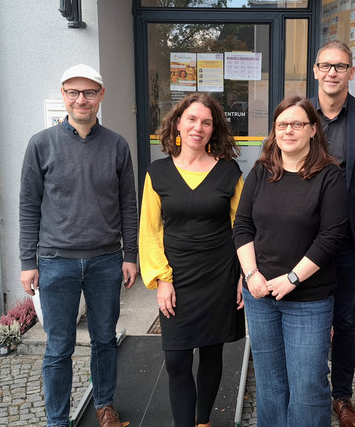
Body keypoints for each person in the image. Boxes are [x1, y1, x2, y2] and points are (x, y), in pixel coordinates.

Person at [19, 64, 137, 427]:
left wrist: (130, 255)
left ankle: (104, 405)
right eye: (73, 92)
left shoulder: (117, 145)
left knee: (104, 339)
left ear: (101, 96)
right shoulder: (41, 144)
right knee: (59, 347)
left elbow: (128, 205)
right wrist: (28, 260)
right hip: (56, 261)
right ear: (63, 96)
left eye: (88, 93)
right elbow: (28, 204)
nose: (81, 99)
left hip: (105, 260)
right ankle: (57, 420)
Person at [233, 96, 349, 427]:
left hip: (308, 300)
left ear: (313, 129)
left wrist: (293, 278)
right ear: (274, 130)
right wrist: (251, 274)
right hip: (261, 296)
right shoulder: (260, 172)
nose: (288, 131)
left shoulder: (330, 176)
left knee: (308, 387)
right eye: (282, 124)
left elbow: (331, 236)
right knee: (270, 386)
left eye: (297, 124)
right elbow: (242, 227)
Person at [139, 93, 245, 427]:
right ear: (178, 124)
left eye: (206, 122)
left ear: (214, 130)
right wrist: (162, 279)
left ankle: (203, 421)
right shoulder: (157, 173)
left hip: (220, 276)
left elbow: (242, 226)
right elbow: (150, 230)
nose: (198, 127)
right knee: (177, 361)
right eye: (192, 119)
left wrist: (243, 275)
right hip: (177, 279)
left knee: (212, 354)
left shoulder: (229, 172)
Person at [309, 40, 355, 427]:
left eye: (341, 66)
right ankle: (311, 391)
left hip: (350, 240)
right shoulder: (299, 115)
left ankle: (342, 398)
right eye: (326, 66)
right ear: (316, 71)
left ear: (352, 72)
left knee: (345, 320)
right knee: (309, 319)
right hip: (304, 239)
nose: (332, 72)